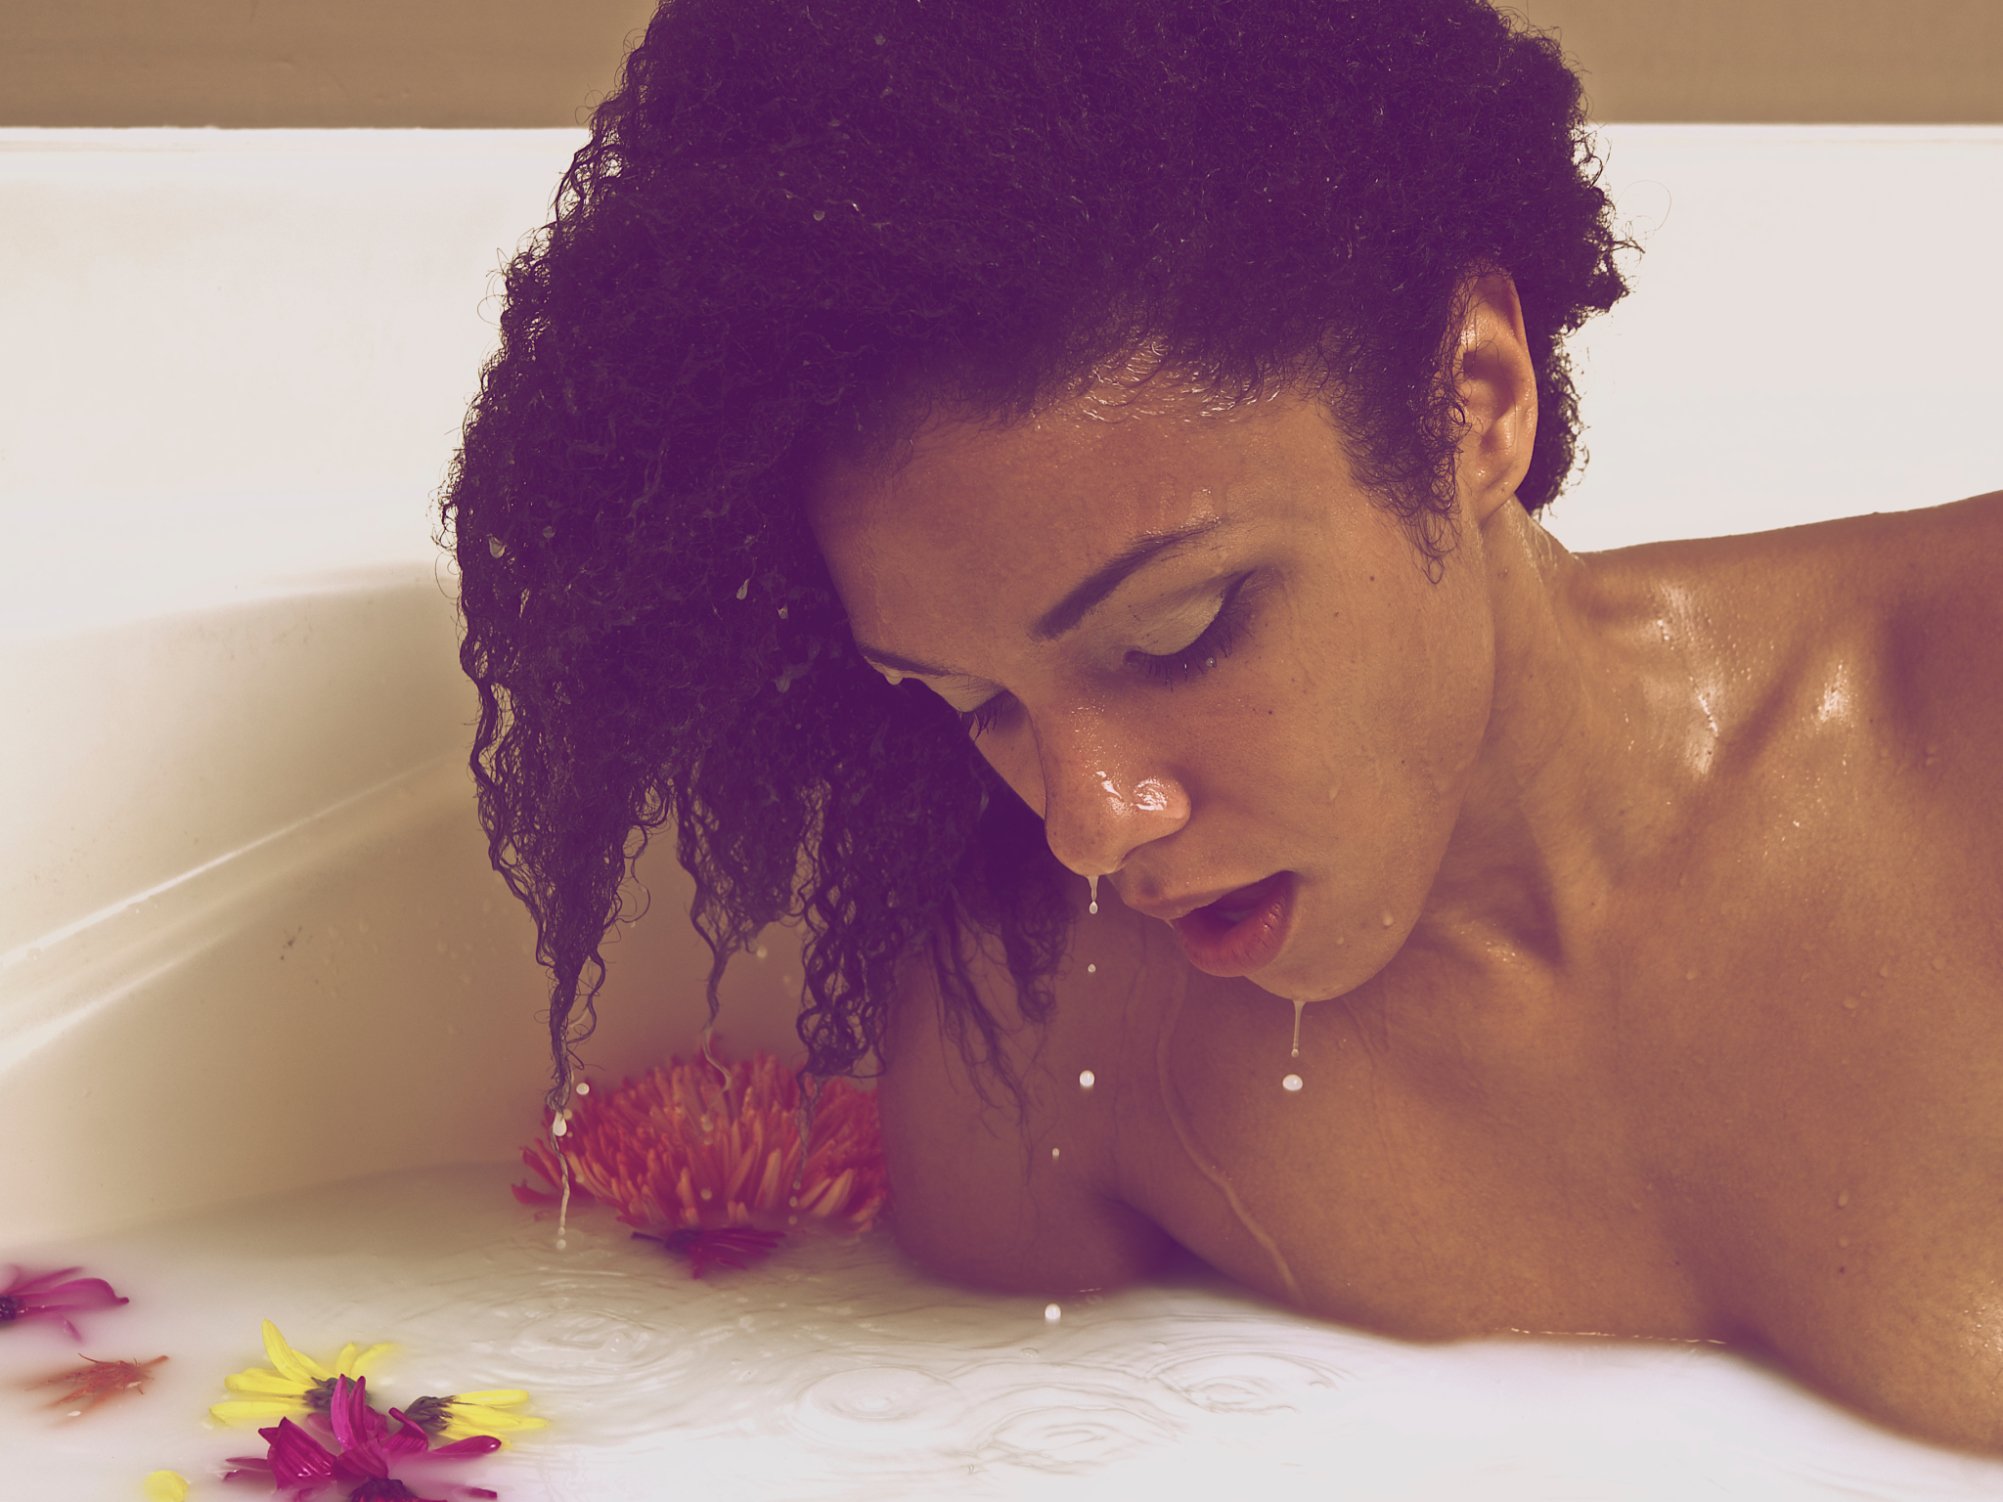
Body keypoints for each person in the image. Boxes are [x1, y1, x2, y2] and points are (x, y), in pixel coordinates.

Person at [440, 0, 2003, 1452]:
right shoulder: (1051, 1059)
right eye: (972, 701)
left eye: (1180, 631)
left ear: (1477, 398)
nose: (1090, 816)